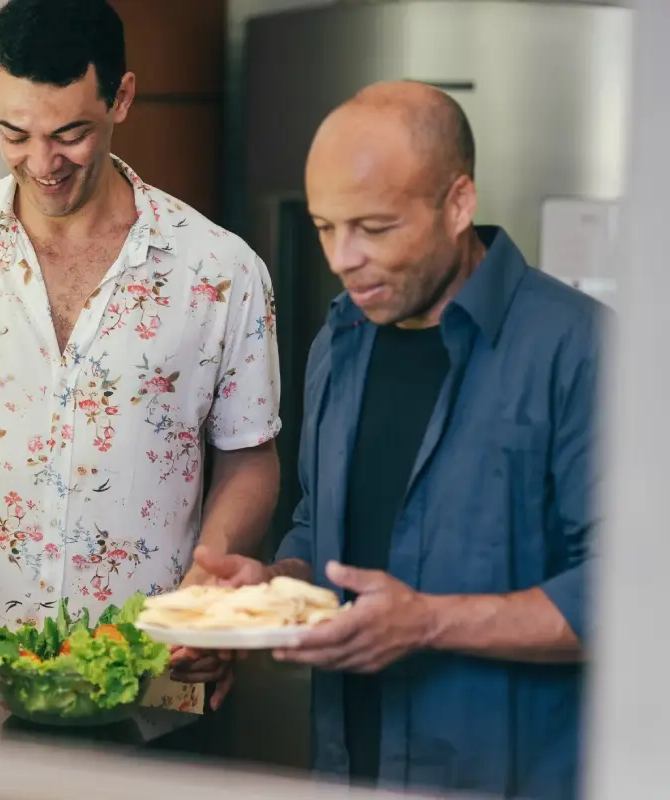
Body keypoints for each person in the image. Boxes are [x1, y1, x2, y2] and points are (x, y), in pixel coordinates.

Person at [0, 0, 282, 712]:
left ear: (122, 98)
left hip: (150, 679)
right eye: (14, 133)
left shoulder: (222, 270)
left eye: (70, 134)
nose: (41, 163)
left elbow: (249, 457)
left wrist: (209, 569)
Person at [194, 81, 600, 798]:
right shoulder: (338, 342)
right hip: (350, 770)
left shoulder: (582, 349)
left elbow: (631, 596)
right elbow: (323, 528)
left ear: (458, 204)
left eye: (374, 228)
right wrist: (273, 591)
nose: (343, 259)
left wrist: (429, 622)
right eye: (325, 226)